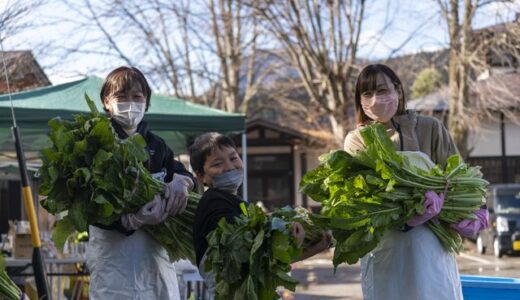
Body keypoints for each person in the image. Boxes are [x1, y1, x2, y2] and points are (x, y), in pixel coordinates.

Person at [344, 64, 488, 300]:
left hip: (432, 244)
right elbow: (362, 201)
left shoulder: (429, 128)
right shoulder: (357, 141)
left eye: (382, 90)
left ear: (398, 90)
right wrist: (406, 212)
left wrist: (475, 208)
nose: (375, 99)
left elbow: (459, 176)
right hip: (385, 249)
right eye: (367, 94)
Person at [85, 66, 196, 300]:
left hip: (153, 255)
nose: (130, 103)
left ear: (146, 102)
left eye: (137, 97)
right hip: (113, 258)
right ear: (107, 102)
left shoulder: (157, 146)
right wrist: (130, 220)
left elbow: (179, 172)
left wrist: (184, 181)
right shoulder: (93, 144)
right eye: (121, 97)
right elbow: (86, 205)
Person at [189, 132, 331, 299]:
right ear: (200, 175)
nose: (229, 167)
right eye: (217, 164)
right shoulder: (214, 203)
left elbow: (260, 262)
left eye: (233, 158)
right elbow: (244, 263)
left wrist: (309, 248)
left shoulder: (236, 202)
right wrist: (294, 245)